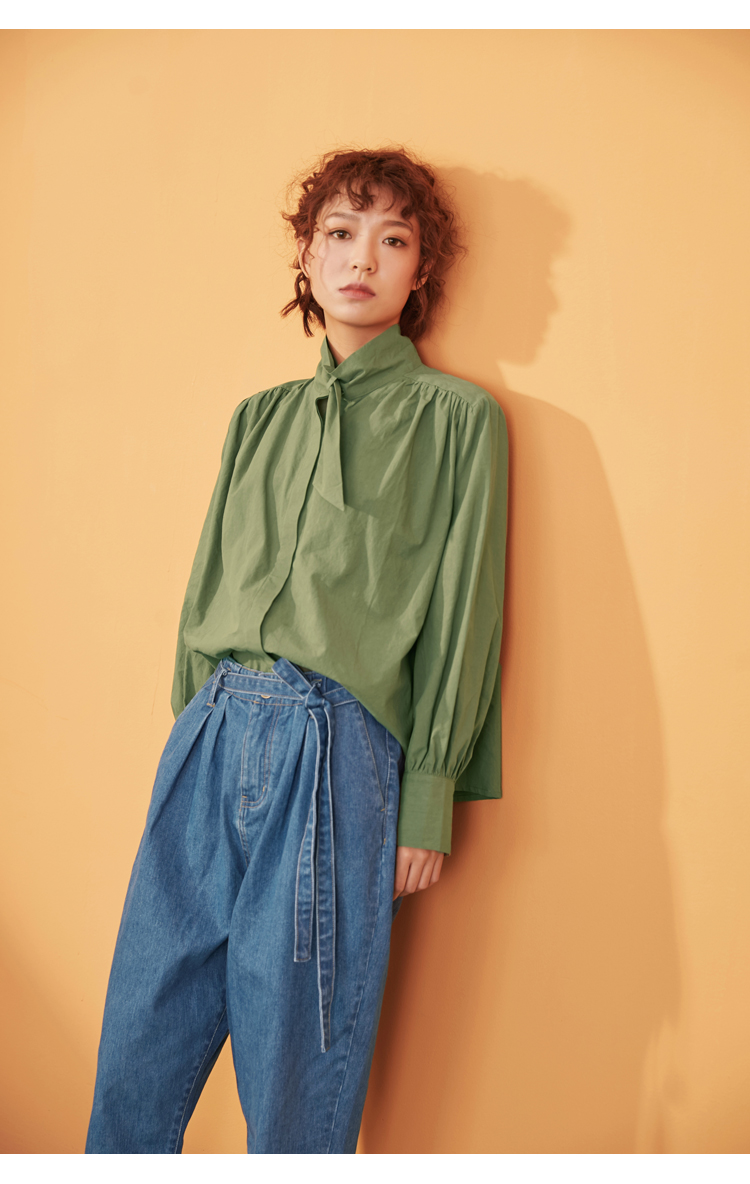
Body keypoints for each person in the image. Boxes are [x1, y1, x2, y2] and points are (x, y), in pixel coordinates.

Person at [86, 146, 508, 1155]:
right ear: (307, 257)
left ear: (421, 271)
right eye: (340, 232)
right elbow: (205, 590)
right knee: (137, 1050)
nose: (362, 258)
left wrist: (429, 792)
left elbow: (465, 608)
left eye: (393, 239)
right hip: (212, 734)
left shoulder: (457, 421)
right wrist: (193, 729)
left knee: (295, 1080)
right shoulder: (258, 420)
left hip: (336, 751)